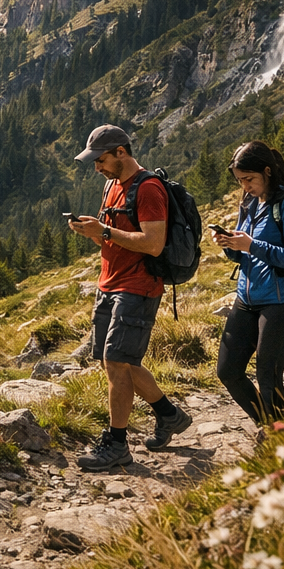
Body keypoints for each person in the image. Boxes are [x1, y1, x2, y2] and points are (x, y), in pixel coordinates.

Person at [66, 125, 193, 470]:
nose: (97, 168)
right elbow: (111, 239)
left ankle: (117, 445)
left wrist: (104, 230)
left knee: (116, 363)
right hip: (109, 283)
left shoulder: (149, 188)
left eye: (101, 160)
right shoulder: (111, 186)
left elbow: (152, 243)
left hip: (138, 286)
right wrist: (94, 231)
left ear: (122, 152)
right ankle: (169, 416)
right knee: (122, 363)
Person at [210, 141, 284, 430]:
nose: (245, 186)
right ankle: (271, 427)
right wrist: (229, 245)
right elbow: (243, 254)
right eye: (240, 180)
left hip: (283, 303)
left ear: (268, 171)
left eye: (249, 179)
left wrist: (252, 245)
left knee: (268, 376)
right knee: (228, 371)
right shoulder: (249, 202)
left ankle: (283, 442)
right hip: (247, 298)